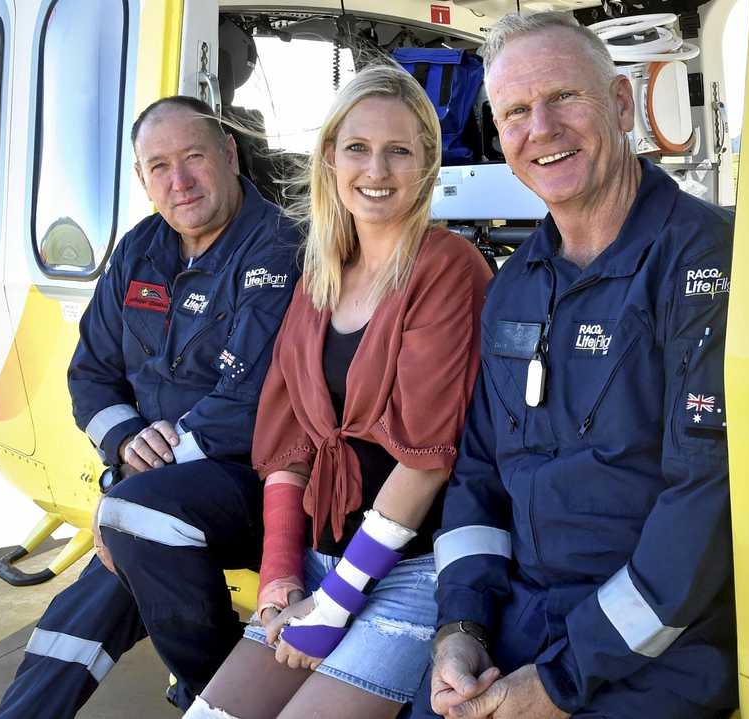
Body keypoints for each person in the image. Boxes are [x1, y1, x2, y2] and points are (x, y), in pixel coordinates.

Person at [417, 12, 736, 719]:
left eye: (565, 97)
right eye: (517, 113)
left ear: (621, 105)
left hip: (660, 653)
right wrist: (461, 629)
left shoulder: (704, 261)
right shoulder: (514, 284)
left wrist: (559, 681)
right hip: (521, 629)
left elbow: (703, 508)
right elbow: (479, 476)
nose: (543, 129)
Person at [184, 65, 491, 719]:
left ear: (427, 163)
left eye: (399, 150)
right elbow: (288, 439)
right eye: (357, 147)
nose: (375, 169)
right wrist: (280, 575)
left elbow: (425, 457)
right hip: (321, 562)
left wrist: (334, 603)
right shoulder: (321, 273)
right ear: (329, 157)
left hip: (408, 573)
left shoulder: (448, 267)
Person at [0, 96, 301, 717]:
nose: (179, 181)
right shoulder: (141, 249)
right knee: (73, 627)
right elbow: (90, 375)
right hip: (152, 492)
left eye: (194, 157)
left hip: (256, 482)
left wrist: (133, 486)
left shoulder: (278, 248)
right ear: (141, 177)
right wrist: (124, 442)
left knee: (135, 524)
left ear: (230, 155)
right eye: (158, 166)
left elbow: (249, 401)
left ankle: (212, 692)